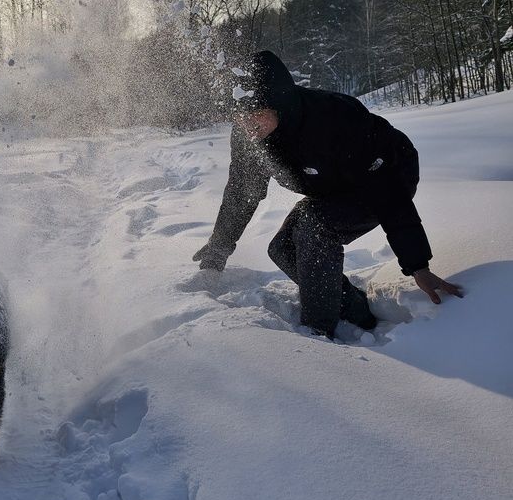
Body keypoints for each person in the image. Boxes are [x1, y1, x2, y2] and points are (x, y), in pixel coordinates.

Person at [194, 50, 462, 338]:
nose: (249, 124)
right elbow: (241, 193)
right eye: (240, 117)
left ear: (279, 105)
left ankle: (318, 332)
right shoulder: (251, 137)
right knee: (282, 249)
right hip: (332, 185)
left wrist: (417, 264)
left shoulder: (333, 119)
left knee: (315, 229)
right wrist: (218, 248)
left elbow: (388, 191)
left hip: (389, 174)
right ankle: (355, 309)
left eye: (257, 114)